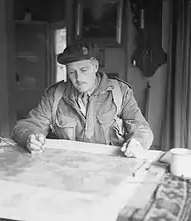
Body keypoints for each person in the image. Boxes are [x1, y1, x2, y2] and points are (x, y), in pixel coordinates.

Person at [13, 41, 154, 157]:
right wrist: (29, 137)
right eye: (72, 73)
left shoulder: (120, 92)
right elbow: (26, 125)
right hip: (67, 169)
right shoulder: (54, 95)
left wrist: (137, 142)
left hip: (110, 170)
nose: (78, 78)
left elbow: (142, 128)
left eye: (84, 70)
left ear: (95, 67)